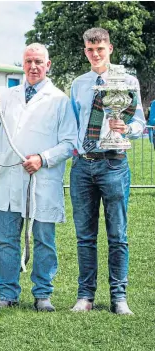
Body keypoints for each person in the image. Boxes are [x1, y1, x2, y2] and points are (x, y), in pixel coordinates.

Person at [0, 43, 77, 312]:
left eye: (38, 62)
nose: (33, 66)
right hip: (7, 180)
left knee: (44, 239)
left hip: (42, 180)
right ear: (23, 63)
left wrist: (42, 159)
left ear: (48, 65)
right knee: (6, 240)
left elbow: (70, 143)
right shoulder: (6, 95)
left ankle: (43, 294)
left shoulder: (59, 100)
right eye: (29, 61)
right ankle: (7, 294)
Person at [69, 28, 145, 315]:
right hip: (83, 165)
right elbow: (74, 123)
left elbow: (138, 119)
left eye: (100, 48)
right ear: (85, 50)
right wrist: (75, 149)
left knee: (118, 234)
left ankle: (119, 297)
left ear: (110, 48)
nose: (95, 54)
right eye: (90, 49)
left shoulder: (127, 81)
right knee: (84, 236)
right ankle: (85, 296)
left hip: (114, 163)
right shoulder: (79, 84)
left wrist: (127, 129)